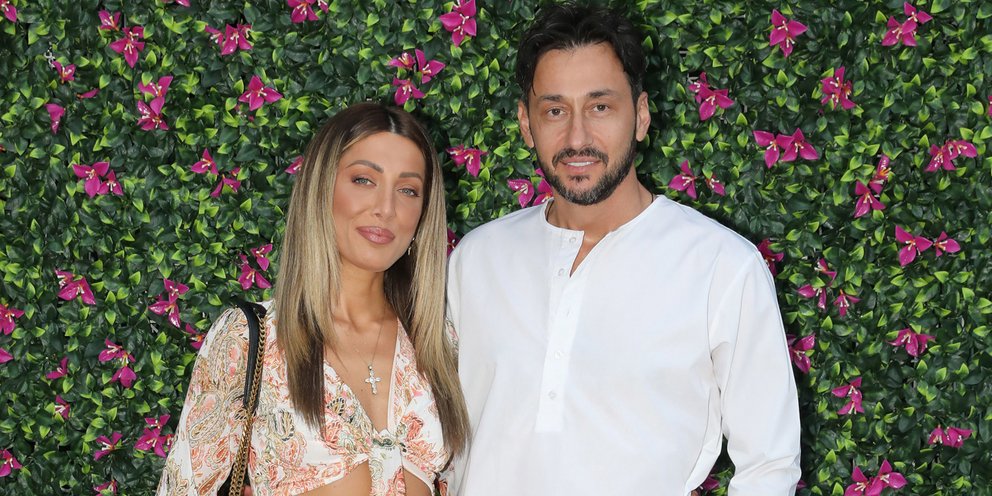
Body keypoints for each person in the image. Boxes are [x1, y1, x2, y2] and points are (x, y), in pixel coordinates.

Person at [445, 3, 801, 495]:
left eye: (600, 107)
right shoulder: (477, 260)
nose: (577, 137)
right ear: (526, 124)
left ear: (641, 115)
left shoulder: (721, 267)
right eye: (554, 111)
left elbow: (769, 465)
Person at [158, 102, 469, 496]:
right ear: (322, 189)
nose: (386, 208)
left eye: (408, 190)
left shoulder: (439, 343)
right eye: (364, 180)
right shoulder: (252, 339)